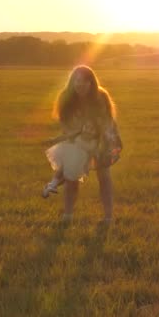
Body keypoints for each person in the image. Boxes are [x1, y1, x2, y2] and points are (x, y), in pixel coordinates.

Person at [42, 65, 121, 222]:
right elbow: (66, 125)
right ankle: (68, 215)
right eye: (77, 80)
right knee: (72, 176)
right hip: (78, 139)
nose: (81, 84)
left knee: (104, 176)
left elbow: (106, 124)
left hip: (103, 139)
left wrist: (100, 147)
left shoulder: (101, 97)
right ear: (72, 82)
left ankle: (108, 217)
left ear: (91, 83)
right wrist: (72, 139)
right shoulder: (66, 98)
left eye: (85, 81)